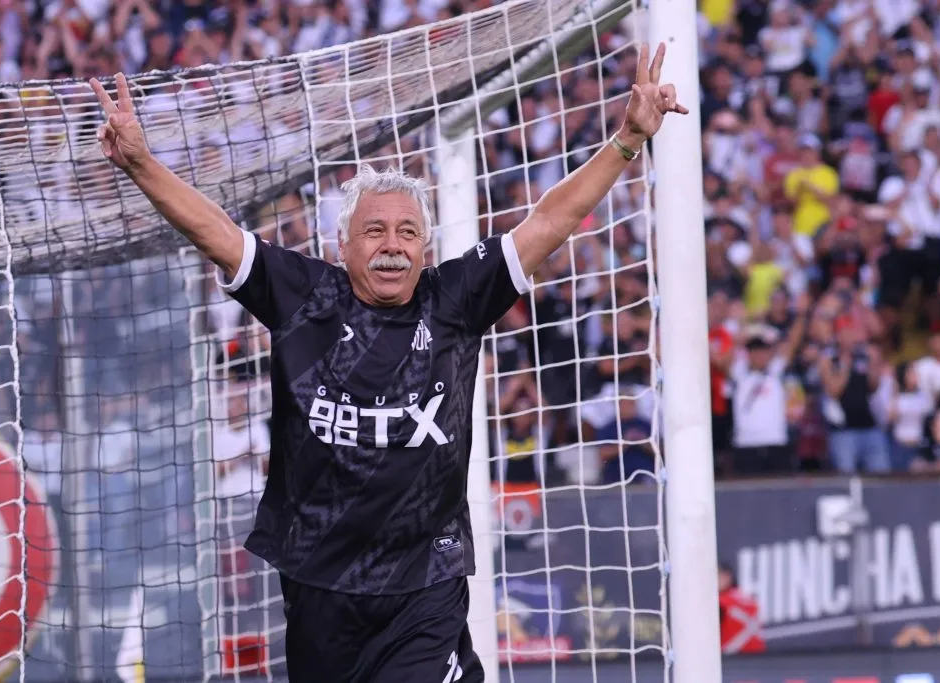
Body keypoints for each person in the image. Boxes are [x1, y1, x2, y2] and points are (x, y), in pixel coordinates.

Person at [89, 43, 687, 683]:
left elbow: (548, 222)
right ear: (340, 245)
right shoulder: (303, 297)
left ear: (425, 246)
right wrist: (141, 163)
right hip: (320, 584)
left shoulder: (454, 298)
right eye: (375, 231)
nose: (393, 245)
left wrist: (626, 138)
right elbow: (213, 230)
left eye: (407, 232)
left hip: (424, 583)